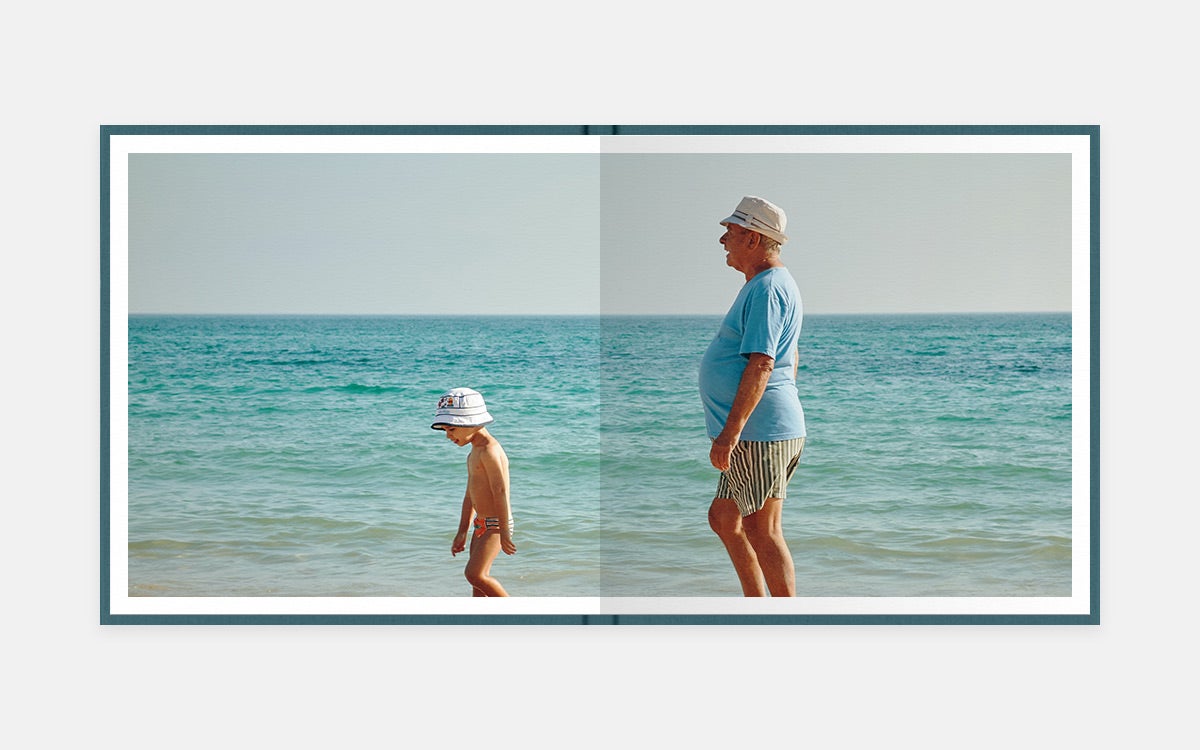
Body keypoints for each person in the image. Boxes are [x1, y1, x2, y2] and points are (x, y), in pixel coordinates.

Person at [699, 196, 807, 597]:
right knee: (725, 518)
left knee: (763, 529)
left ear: (753, 238)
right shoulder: (764, 286)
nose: (723, 239)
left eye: (731, 230)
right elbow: (790, 356)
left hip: (759, 434)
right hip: (762, 428)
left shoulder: (768, 288)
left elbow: (763, 363)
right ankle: (755, 604)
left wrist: (732, 432)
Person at [431, 387, 515, 596]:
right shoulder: (473, 453)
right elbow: (470, 495)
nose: (448, 436)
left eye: (451, 429)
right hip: (480, 524)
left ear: (470, 422)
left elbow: (501, 492)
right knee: (477, 586)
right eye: (445, 431)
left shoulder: (489, 451)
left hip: (496, 523)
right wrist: (462, 531)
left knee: (475, 574)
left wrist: (504, 531)